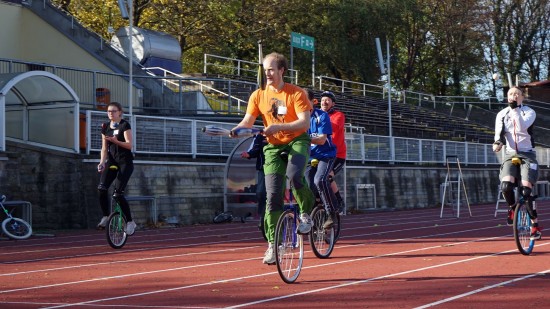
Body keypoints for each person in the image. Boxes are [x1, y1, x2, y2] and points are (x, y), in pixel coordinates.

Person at [231, 52, 315, 264]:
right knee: (272, 196)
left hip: (297, 140)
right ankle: (272, 244)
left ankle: (306, 213)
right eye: (264, 69)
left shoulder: (295, 93)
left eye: (270, 69)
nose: (266, 73)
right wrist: (237, 129)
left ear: (281, 71)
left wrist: (278, 126)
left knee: (295, 176)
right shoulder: (258, 95)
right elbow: (247, 121)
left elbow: (304, 123)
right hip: (273, 147)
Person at [493, 86, 541, 240]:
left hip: (527, 154)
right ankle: (512, 208)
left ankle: (535, 225)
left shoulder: (529, 112)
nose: (513, 96)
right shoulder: (501, 114)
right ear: (507, 97)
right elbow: (499, 134)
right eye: (510, 94)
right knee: (506, 186)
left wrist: (515, 110)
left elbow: (521, 126)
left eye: (517, 94)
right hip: (510, 153)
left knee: (526, 191)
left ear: (522, 97)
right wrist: (498, 143)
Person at [96, 102, 136, 235]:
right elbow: (104, 148)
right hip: (112, 162)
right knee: (101, 188)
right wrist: (101, 162)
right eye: (108, 111)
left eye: (113, 111)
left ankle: (130, 222)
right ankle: (106, 215)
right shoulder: (105, 126)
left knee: (118, 194)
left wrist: (116, 141)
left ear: (120, 112)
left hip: (125, 163)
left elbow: (130, 145)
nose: (110, 113)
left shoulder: (125, 125)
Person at [305, 89, 338, 229]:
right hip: (309, 156)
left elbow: (322, 139)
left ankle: (332, 211)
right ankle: (313, 212)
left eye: (304, 99)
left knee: (320, 180)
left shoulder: (322, 116)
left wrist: (303, 138)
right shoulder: (298, 118)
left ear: (313, 102)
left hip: (326, 154)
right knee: (307, 184)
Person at [319, 90, 347, 212]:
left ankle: (339, 201)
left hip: (338, 155)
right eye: (322, 100)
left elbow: (333, 127)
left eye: (327, 100)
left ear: (333, 103)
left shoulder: (338, 115)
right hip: (321, 154)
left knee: (328, 177)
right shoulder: (317, 115)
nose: (324, 102)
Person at [241, 134, 267, 232]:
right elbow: (254, 149)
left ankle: (274, 216)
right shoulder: (260, 136)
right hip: (263, 169)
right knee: (260, 192)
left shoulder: (279, 133)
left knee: (272, 193)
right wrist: (249, 154)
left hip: (276, 168)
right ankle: (262, 216)